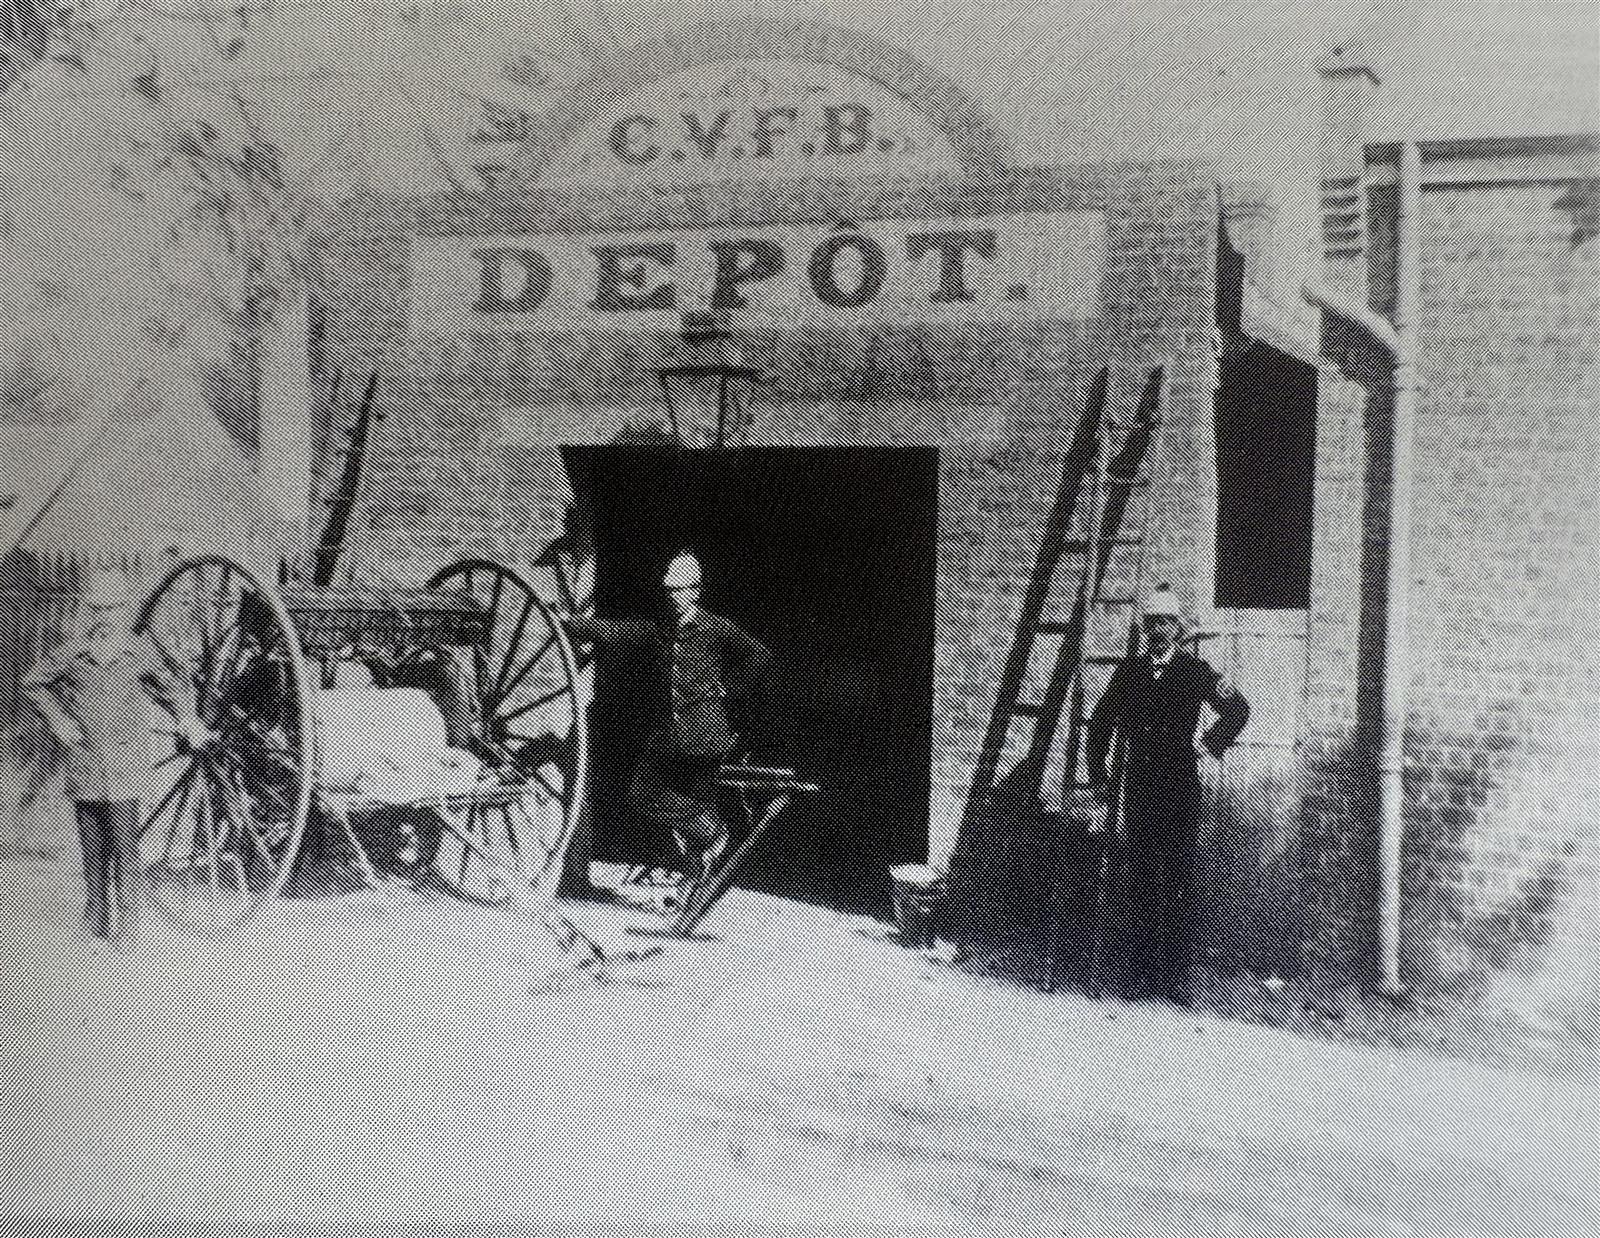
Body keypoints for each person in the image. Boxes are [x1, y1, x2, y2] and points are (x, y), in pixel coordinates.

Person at [563, 551, 771, 884]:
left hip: (705, 736)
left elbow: (758, 656)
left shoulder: (716, 627)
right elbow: (614, 631)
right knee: (644, 792)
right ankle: (703, 845)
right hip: (671, 738)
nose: (675, 597)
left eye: (682, 590)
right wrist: (569, 624)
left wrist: (727, 690)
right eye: (670, 591)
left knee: (679, 801)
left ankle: (705, 850)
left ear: (696, 590)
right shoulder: (656, 630)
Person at [22, 566, 206, 942]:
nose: (104, 617)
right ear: (89, 612)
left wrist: (187, 720)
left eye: (112, 608)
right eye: (98, 609)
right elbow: (33, 682)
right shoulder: (73, 653)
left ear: (123, 610)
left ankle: (130, 928)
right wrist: (59, 720)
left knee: (125, 850)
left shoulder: (137, 653)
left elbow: (171, 689)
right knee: (91, 850)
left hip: (125, 767)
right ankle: (96, 923)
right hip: (86, 765)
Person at [1085, 584, 1249, 1007]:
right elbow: (1100, 720)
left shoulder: (1196, 672)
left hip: (1179, 791)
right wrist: (1099, 773)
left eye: (1167, 623)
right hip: (1139, 790)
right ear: (1144, 628)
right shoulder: (1129, 673)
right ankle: (1139, 975)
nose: (1160, 630)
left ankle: (1173, 979)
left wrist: (1208, 743)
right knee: (1139, 880)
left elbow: (1238, 709)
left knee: (1177, 881)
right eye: (1153, 623)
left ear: (1178, 629)